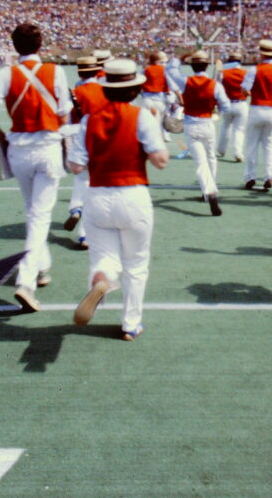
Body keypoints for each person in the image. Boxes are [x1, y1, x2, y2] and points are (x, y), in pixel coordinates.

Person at [68, 59, 169, 340]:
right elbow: (161, 160)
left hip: (98, 195)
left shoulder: (89, 120)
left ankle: (101, 280)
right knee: (136, 264)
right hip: (133, 195)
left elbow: (76, 166)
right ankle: (130, 323)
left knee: (104, 259)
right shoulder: (142, 116)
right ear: (134, 89)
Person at [0, 22, 72, 312]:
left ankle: (41, 267)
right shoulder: (55, 71)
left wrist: (0, 136)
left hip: (18, 149)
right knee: (40, 215)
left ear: (14, 45)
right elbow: (64, 114)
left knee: (33, 212)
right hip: (48, 147)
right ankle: (26, 280)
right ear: (40, 45)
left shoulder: (5, 74)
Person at [173, 50, 231, 216]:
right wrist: (216, 109)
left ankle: (209, 191)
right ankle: (210, 191)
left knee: (200, 162)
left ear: (192, 66)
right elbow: (226, 106)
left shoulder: (185, 81)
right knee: (211, 157)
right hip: (207, 124)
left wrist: (179, 57)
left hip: (191, 125)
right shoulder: (216, 85)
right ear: (207, 65)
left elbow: (170, 70)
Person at [63, 55, 108, 250]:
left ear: (80, 72)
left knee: (81, 177)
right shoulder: (105, 90)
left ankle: (76, 207)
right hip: (100, 136)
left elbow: (64, 117)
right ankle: (84, 233)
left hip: (76, 135)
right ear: (97, 71)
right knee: (96, 183)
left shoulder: (75, 92)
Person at [242, 39, 272, 190]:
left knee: (252, 145)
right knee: (269, 145)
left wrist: (251, 93)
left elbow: (245, 89)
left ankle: (250, 176)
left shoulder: (254, 70)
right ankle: (269, 175)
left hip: (257, 108)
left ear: (261, 54)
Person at [216, 50, 248, 162]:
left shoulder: (223, 73)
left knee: (225, 126)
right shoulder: (245, 73)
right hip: (241, 103)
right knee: (239, 130)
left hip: (227, 103)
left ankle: (221, 150)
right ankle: (238, 153)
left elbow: (217, 87)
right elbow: (248, 89)